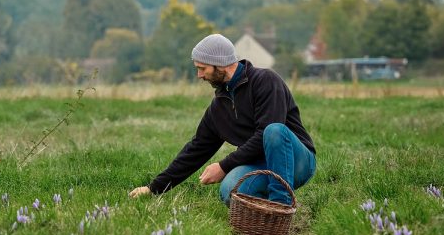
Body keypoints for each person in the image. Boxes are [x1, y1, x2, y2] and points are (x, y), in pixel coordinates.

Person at [129, 33, 315, 205]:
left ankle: (281, 206)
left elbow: (265, 136)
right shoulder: (218, 107)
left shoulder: (266, 81)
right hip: (260, 165)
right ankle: (262, 212)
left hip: (296, 160)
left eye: (203, 68)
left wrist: (224, 166)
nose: (199, 75)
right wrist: (154, 188)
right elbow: (196, 150)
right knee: (230, 191)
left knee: (273, 130)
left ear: (221, 64)